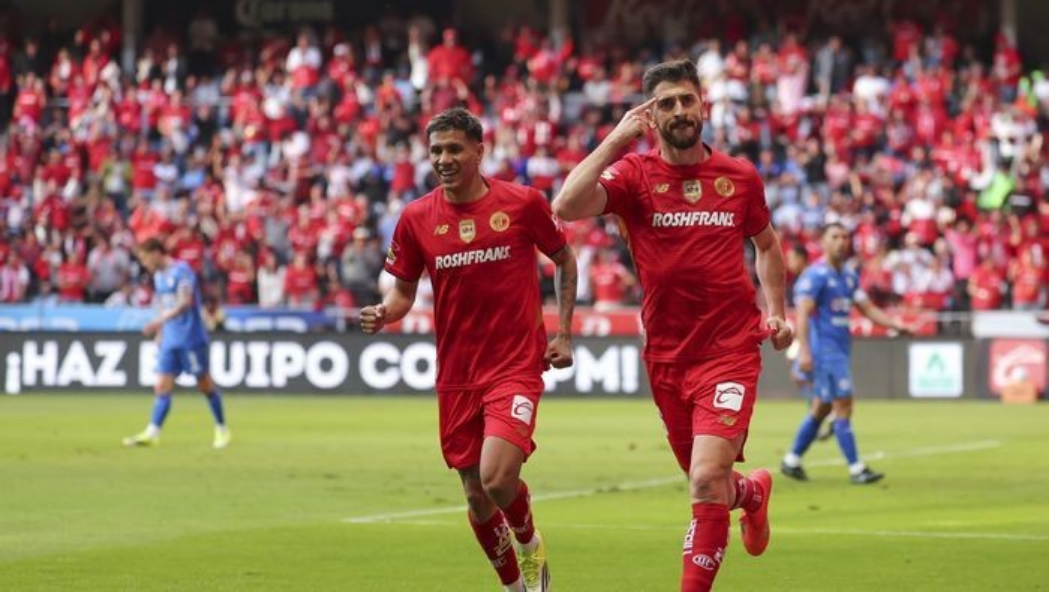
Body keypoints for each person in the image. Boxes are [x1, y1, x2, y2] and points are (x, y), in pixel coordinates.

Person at [552, 59, 793, 592]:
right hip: (666, 356)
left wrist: (776, 310)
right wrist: (618, 138)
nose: (679, 110)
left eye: (686, 99)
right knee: (709, 483)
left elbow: (767, 245)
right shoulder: (634, 177)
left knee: (705, 480)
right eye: (666, 103)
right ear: (650, 116)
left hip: (730, 350)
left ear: (703, 105)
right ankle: (750, 495)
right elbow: (566, 205)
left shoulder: (739, 177)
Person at [360, 108, 576, 592]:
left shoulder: (523, 204)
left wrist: (563, 331)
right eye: (436, 150)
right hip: (457, 373)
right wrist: (385, 312)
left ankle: (528, 543)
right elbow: (402, 292)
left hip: (515, 366)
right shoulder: (416, 218)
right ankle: (516, 588)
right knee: (477, 496)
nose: (444, 159)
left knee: (498, 479)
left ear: (480, 151)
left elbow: (564, 257)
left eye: (455, 148)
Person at [781, 222, 912, 485]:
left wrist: (894, 324)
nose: (841, 241)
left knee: (821, 408)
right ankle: (856, 469)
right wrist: (804, 351)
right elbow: (803, 314)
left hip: (840, 349)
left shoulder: (849, 276)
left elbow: (867, 309)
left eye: (844, 237)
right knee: (844, 404)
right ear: (824, 242)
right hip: (824, 352)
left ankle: (791, 461)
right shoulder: (815, 275)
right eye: (835, 237)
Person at [123, 238, 230, 449]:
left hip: (190, 337)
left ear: (156, 252)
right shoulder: (159, 276)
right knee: (161, 385)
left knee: (204, 384)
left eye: (145, 258)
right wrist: (161, 332)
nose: (144, 264)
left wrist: (158, 322)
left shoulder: (182, 271)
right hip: (170, 339)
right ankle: (152, 432)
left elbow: (185, 303)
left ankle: (221, 429)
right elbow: (164, 305)